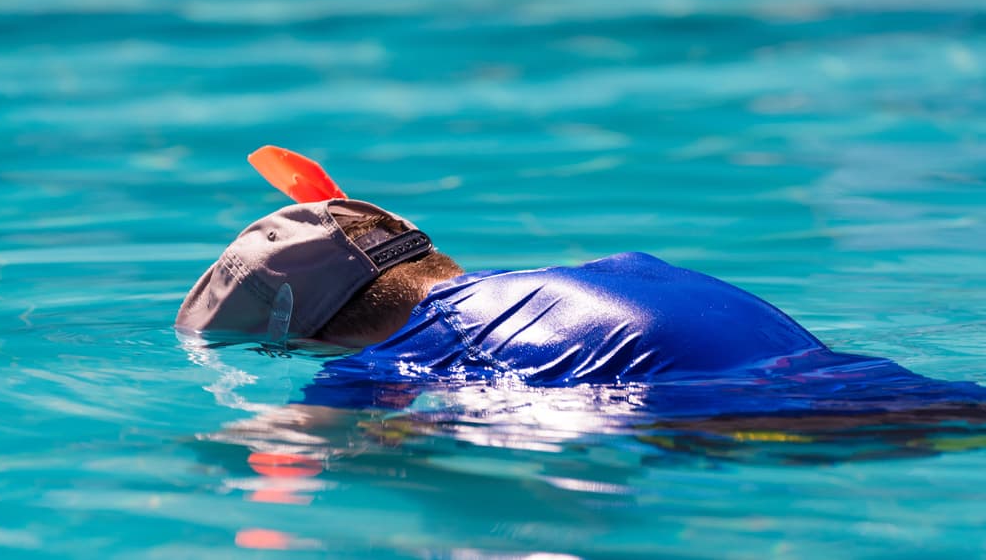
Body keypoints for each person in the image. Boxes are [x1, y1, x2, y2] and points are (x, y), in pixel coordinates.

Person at [176, 196, 986, 425]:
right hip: (853, 378)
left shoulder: (386, 365)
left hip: (768, 419)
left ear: (308, 339)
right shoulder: (621, 266)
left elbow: (279, 446)